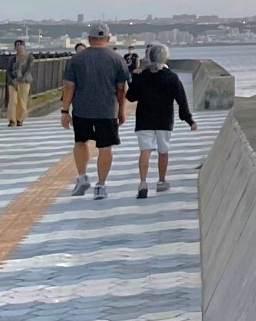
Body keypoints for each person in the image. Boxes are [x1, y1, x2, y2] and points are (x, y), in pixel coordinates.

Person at [60, 24, 129, 201]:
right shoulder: (117, 59)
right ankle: (101, 185)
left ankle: (82, 177)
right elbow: (121, 89)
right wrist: (121, 110)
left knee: (80, 142)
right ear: (107, 38)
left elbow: (69, 87)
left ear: (89, 39)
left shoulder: (76, 59)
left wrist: (65, 111)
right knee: (105, 147)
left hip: (81, 110)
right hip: (107, 111)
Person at [129, 44, 196, 199]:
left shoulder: (142, 76)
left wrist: (135, 78)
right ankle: (161, 181)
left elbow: (131, 96)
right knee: (163, 151)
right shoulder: (171, 77)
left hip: (144, 119)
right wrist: (189, 120)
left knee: (145, 151)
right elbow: (182, 100)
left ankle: (143, 183)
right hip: (164, 120)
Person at [5, 40, 33, 126]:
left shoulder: (29, 58)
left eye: (21, 45)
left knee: (22, 101)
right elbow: (9, 71)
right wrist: (12, 80)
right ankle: (12, 120)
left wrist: (21, 79)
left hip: (24, 82)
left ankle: (19, 119)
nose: (19, 47)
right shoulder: (12, 59)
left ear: (24, 46)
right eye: (17, 45)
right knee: (13, 100)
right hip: (13, 82)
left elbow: (28, 70)